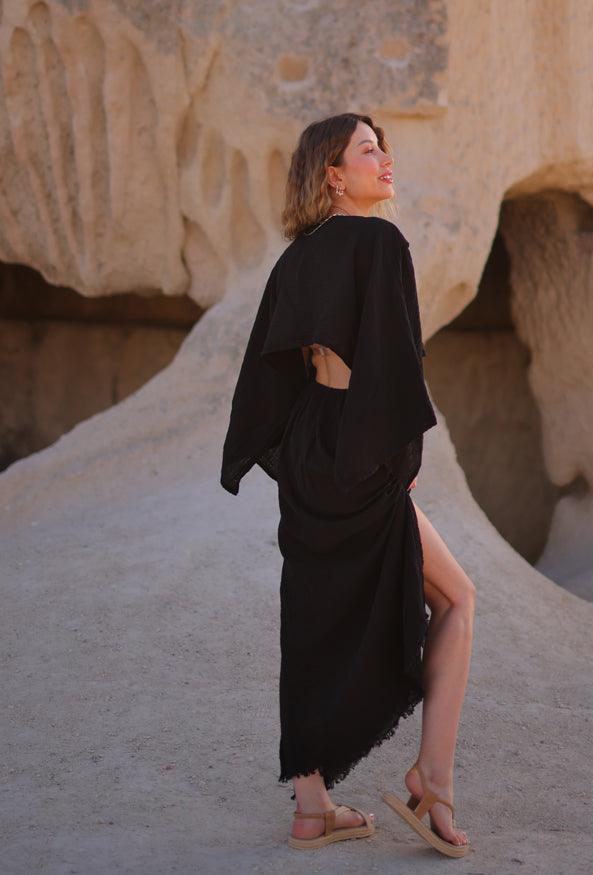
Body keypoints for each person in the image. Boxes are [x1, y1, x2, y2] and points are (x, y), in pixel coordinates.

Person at [220, 113, 476, 856]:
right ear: (334, 174)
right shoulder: (381, 242)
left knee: (311, 619)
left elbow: (271, 372)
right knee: (458, 598)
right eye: (368, 149)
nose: (384, 158)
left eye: (383, 147)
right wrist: (397, 457)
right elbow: (394, 362)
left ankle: (312, 809)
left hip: (311, 448)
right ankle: (433, 779)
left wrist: (296, 453)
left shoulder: (296, 259)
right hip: (361, 448)